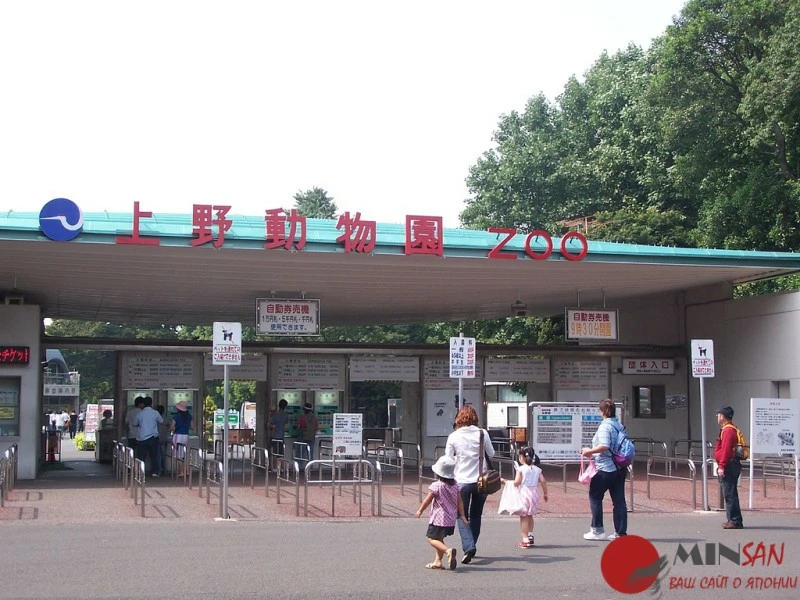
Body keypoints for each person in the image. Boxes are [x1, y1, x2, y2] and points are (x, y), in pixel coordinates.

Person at [444, 405, 495, 564]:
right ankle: (471, 544)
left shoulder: (453, 436)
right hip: (482, 481)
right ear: (475, 418)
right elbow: (491, 454)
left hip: (461, 481)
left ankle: (469, 546)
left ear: (459, 418)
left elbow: (448, 459)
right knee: (476, 514)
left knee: (461, 515)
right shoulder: (482, 433)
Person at [581, 398, 628, 541]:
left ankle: (597, 530)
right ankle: (620, 533)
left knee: (595, 496)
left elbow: (604, 446)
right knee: (619, 501)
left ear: (602, 411)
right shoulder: (619, 425)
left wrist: (589, 451)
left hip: (604, 468)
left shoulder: (605, 427)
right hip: (620, 467)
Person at [415, 455, 467, 570]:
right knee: (439, 539)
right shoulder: (455, 486)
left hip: (438, 518)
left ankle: (448, 551)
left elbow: (427, 500)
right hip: (450, 519)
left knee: (431, 538)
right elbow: (460, 502)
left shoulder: (436, 486)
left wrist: (420, 510)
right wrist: (462, 515)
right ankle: (437, 562)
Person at [500, 446, 548, 547]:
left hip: (524, 493)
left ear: (522, 457)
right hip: (534, 493)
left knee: (524, 517)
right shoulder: (537, 469)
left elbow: (517, 483)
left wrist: (505, 481)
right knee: (530, 515)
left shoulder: (520, 469)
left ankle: (525, 539)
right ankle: (530, 535)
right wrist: (545, 493)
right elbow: (543, 481)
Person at [714, 405, 743, 529]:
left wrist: (721, 466)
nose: (717, 417)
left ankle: (735, 520)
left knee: (729, 493)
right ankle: (732, 519)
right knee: (730, 492)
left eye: (719, 415)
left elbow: (725, 450)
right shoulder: (728, 429)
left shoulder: (728, 431)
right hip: (731, 464)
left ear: (723, 416)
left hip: (729, 465)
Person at [133, 396, 163, 477]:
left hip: (142, 438)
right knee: (154, 455)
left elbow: (135, 423)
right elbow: (161, 421)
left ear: (143, 404)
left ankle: (140, 472)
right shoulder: (155, 412)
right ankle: (155, 472)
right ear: (151, 403)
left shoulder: (140, 413)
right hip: (153, 437)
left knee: (141, 456)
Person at [171, 401, 192, 476]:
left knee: (178, 454)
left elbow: (172, 427)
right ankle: (188, 471)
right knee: (186, 453)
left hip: (177, 436)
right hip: (186, 436)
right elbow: (192, 427)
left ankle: (181, 472)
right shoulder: (189, 417)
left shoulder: (176, 417)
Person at [268, 399, 289, 472]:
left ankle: (274, 468)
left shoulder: (274, 415)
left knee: (274, 453)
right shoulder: (285, 416)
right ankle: (281, 468)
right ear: (285, 407)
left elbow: (269, 425)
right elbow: (286, 425)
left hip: (274, 436)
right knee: (280, 453)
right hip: (281, 436)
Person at [156, 405, 170, 477]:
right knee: (163, 455)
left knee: (157, 455)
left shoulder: (155, 418)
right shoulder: (165, 418)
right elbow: (169, 426)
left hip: (157, 438)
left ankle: (159, 470)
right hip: (164, 438)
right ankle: (164, 470)